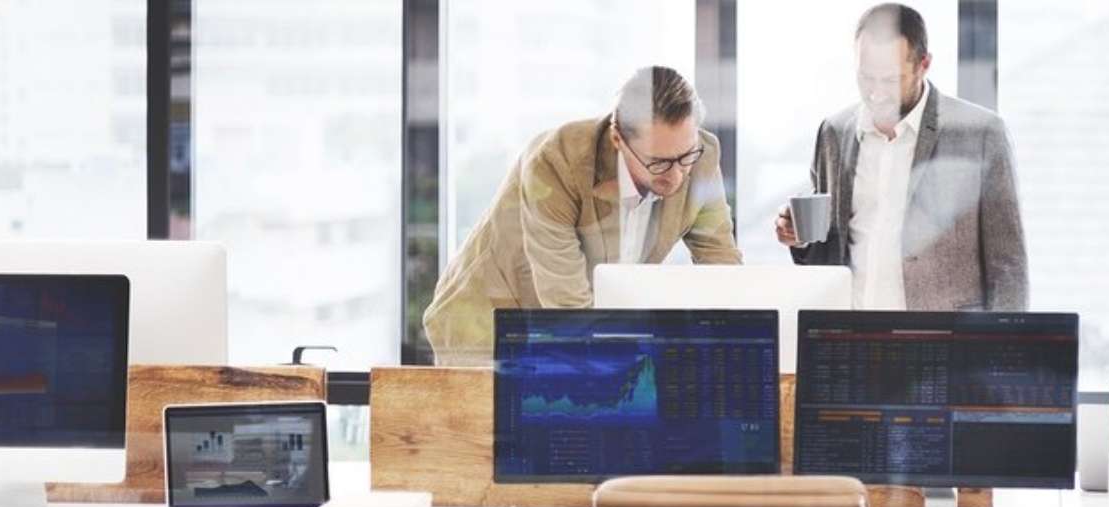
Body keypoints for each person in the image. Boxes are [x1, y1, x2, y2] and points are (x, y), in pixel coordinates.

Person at [424, 66, 742, 366]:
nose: (676, 176)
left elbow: (722, 264)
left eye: (685, 156)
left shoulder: (702, 156)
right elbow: (567, 307)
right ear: (618, 139)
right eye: (658, 163)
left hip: (578, 328)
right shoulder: (556, 161)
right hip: (486, 323)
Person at [775, 3, 1027, 311]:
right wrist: (798, 238)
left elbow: (1008, 265)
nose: (876, 93)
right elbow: (826, 255)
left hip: (944, 343)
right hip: (852, 336)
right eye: (866, 78)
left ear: (924, 64)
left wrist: (1004, 351)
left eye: (890, 80)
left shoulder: (981, 134)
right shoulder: (834, 133)